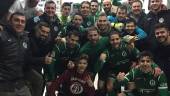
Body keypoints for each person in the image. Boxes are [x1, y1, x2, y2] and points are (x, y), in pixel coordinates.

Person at [0, 12, 31, 96]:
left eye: (22, 21)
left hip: (20, 83)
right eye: (16, 20)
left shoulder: (25, 38)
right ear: (10, 22)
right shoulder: (2, 36)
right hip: (4, 84)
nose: (20, 23)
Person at [153, 23, 170, 90]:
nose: (160, 35)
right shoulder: (155, 48)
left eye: (162, 32)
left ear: (168, 32)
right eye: (157, 33)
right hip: (163, 84)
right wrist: (154, 66)